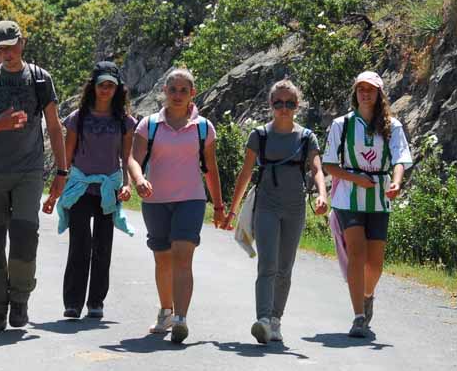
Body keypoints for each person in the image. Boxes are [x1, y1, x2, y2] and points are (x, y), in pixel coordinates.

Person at [0, 20, 67, 333]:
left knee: (25, 237)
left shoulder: (40, 79)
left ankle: (20, 301)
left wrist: (62, 171)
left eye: (12, 46)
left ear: (22, 43)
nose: (8, 54)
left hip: (28, 172)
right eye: (1, 49)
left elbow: (54, 126)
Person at [224, 80, 328, 344]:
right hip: (267, 206)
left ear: (297, 106)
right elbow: (246, 173)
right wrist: (231, 211)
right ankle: (262, 319)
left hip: (294, 208)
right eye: (278, 103)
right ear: (270, 105)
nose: (284, 108)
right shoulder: (259, 135)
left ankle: (276, 320)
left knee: (285, 267)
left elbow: (316, 168)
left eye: (290, 103)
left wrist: (321, 195)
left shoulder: (306, 137)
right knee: (267, 264)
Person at [127, 68, 225, 344]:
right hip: (155, 200)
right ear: (165, 93)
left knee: (183, 255)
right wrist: (139, 180)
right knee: (163, 258)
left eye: (184, 90)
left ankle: (181, 318)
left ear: (193, 93)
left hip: (191, 200)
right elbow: (134, 159)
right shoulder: (149, 125)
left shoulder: (204, 127)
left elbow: (210, 168)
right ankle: (166, 311)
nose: (178, 95)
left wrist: (217, 205)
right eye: (173, 90)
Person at [323, 71, 412, 337]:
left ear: (379, 94)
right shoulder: (342, 124)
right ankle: (359, 316)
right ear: (355, 92)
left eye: (370, 89)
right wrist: (354, 178)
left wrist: (396, 182)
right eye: (361, 89)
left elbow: (400, 158)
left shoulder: (392, 126)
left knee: (375, 264)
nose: (365, 93)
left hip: (379, 198)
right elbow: (329, 164)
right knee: (357, 255)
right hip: (348, 197)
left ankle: (368, 294)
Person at [47, 61, 136, 320]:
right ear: (93, 87)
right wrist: (57, 189)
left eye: (111, 85)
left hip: (109, 188)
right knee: (80, 245)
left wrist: (128, 185)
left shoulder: (124, 122)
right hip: (80, 187)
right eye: (101, 85)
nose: (106, 90)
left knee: (103, 247)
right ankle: (73, 302)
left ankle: (96, 301)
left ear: (118, 89)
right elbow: (67, 155)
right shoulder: (78, 118)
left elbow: (127, 157)